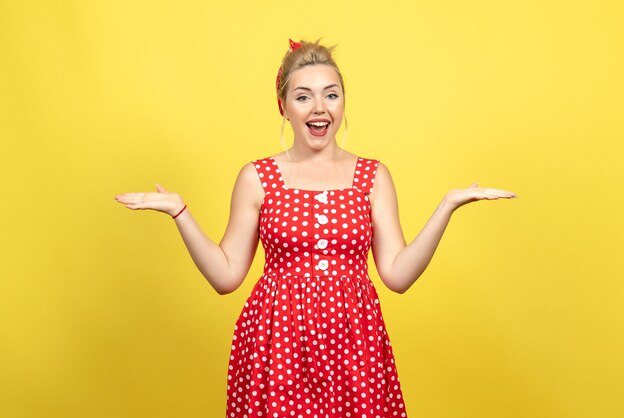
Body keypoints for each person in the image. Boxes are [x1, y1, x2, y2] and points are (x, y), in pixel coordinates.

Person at [114, 38, 517, 417]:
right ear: (284, 107)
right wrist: (180, 212)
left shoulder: (373, 176)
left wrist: (447, 206)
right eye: (303, 96)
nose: (319, 107)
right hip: (278, 346)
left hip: (355, 346)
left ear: (343, 102)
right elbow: (226, 276)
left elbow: (397, 274)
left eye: (331, 94)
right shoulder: (257, 177)